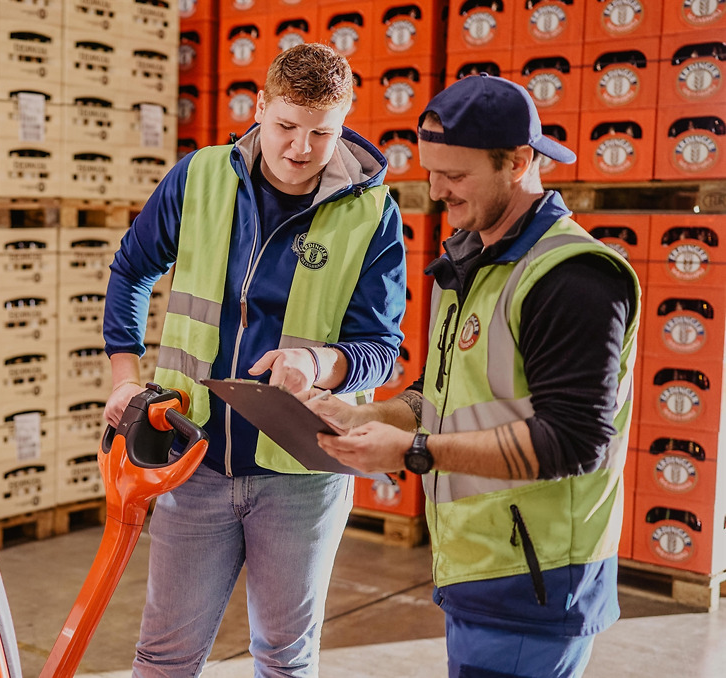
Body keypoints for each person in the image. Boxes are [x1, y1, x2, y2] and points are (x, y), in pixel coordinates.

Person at [306, 74, 641, 678]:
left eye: (455, 176)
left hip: (535, 585)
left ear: (518, 161)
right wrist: (368, 415)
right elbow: (437, 396)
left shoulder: (572, 278)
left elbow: (574, 441)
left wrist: (413, 452)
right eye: (432, 172)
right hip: (480, 569)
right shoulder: (473, 262)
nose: (436, 191)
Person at [103, 43, 407, 677]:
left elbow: (382, 350)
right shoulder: (200, 178)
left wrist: (320, 364)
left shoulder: (372, 213)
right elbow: (132, 269)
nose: (300, 148)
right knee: (164, 656)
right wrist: (124, 377)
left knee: (285, 659)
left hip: (301, 477)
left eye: (321, 133)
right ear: (260, 107)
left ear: (343, 123)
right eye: (286, 127)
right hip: (193, 460)